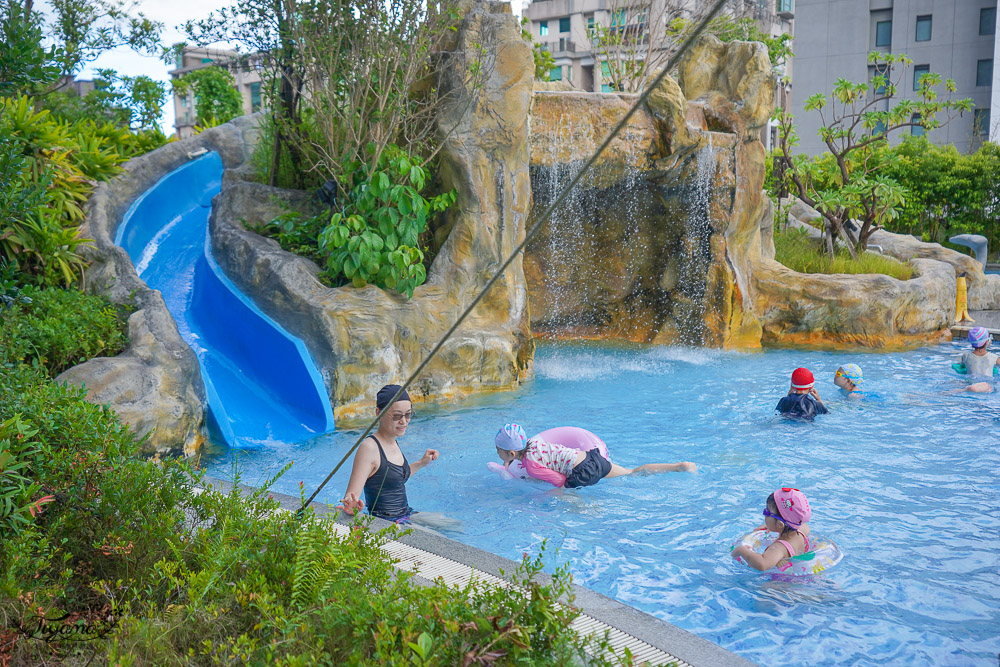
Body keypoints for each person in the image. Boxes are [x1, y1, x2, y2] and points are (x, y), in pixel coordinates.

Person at [338, 384, 451, 528]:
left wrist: (422, 462)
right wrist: (351, 505)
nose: (403, 421)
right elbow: (351, 495)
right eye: (397, 416)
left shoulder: (392, 441)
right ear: (379, 413)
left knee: (454, 525)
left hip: (406, 513)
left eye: (408, 414)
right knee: (442, 544)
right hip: (388, 523)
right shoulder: (369, 448)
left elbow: (396, 478)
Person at [493, 423, 696, 489]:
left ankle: (592, 511)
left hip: (582, 472)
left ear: (511, 453)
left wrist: (534, 481)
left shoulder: (531, 465)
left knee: (565, 494)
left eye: (499, 450)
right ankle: (678, 467)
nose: (497, 453)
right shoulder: (535, 443)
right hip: (591, 458)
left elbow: (560, 480)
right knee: (631, 472)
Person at [731, 487, 813, 572]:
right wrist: (772, 526)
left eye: (767, 512)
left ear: (780, 524)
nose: (765, 514)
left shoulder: (779, 547)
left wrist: (741, 550)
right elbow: (805, 526)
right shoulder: (801, 530)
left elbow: (762, 564)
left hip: (785, 583)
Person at [953, 326, 998, 393]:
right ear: (986, 342)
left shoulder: (966, 356)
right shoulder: (994, 357)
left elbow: (961, 366)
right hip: (987, 384)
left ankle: (967, 389)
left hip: (971, 382)